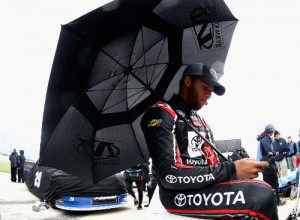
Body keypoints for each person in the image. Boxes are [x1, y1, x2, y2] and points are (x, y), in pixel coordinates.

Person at [141, 63, 279, 219]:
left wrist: (238, 163)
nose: (209, 95)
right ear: (188, 82)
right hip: (177, 194)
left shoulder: (201, 121)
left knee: (266, 189)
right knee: (262, 196)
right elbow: (169, 176)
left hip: (205, 187)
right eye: (205, 87)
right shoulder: (161, 114)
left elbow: (214, 161)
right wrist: (231, 170)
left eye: (211, 90)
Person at [257, 124, 286, 206]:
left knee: (268, 184)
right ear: (271, 132)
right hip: (268, 164)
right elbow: (268, 152)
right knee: (273, 182)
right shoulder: (265, 139)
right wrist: (275, 153)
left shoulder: (263, 138)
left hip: (266, 163)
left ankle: (271, 202)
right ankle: (277, 201)